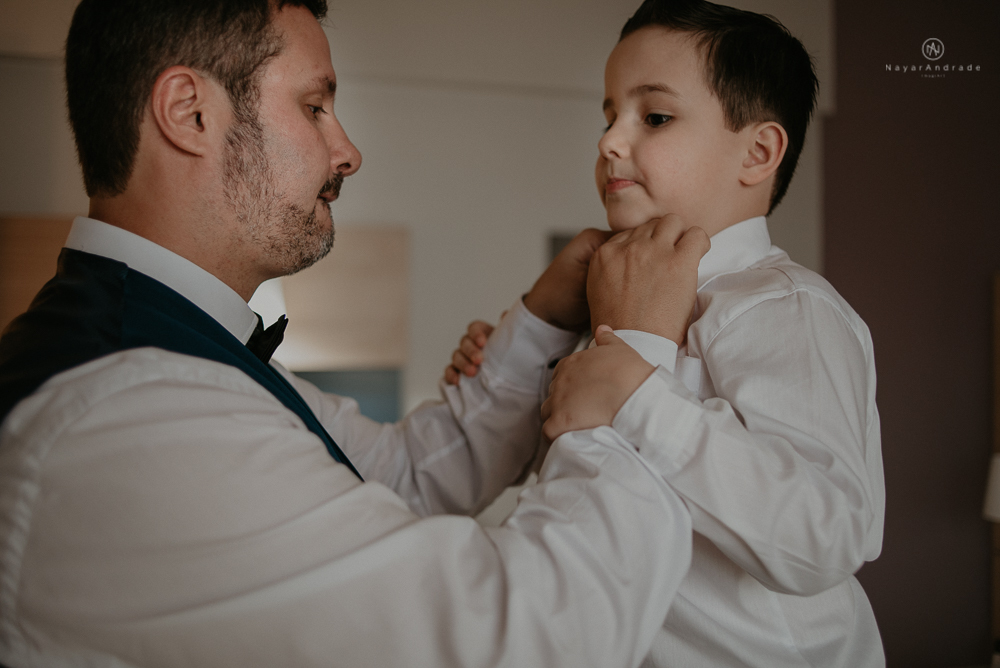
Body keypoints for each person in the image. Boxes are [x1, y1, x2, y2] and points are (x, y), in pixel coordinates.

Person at [0, 1, 712, 665]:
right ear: (189, 114)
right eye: (314, 106)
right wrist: (636, 364)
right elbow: (521, 635)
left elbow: (403, 476)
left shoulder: (171, 353)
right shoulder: (132, 412)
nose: (347, 152)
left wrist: (543, 324)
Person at [448, 1, 886, 666]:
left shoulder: (782, 308)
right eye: (608, 115)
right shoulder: (606, 299)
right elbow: (571, 480)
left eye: (653, 116)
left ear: (759, 151)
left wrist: (638, 396)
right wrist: (512, 359)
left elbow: (828, 534)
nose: (608, 142)